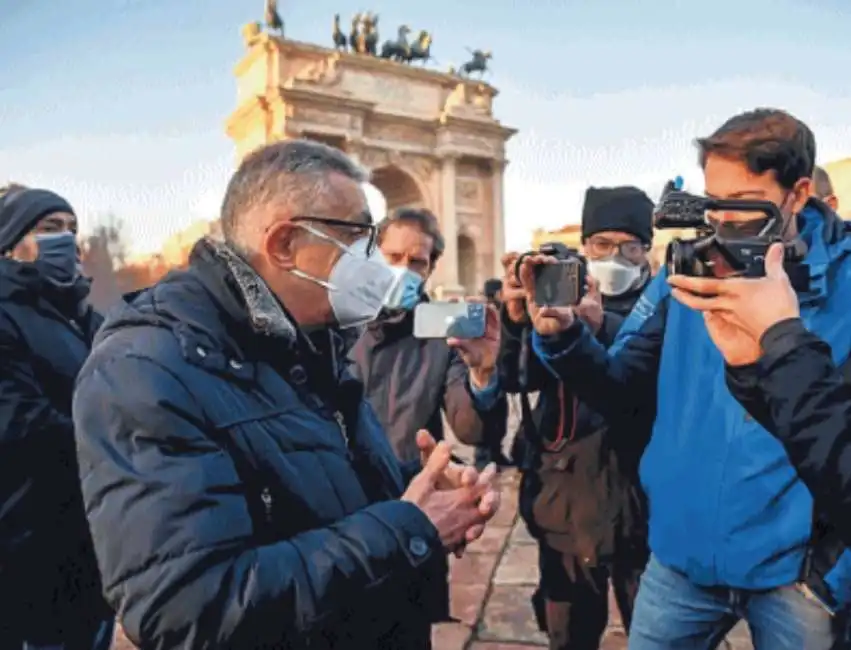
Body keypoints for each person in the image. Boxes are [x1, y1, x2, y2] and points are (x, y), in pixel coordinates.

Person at [72, 139, 501, 650]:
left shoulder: (310, 340)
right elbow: (187, 606)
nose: (376, 264)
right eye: (361, 238)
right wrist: (405, 527)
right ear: (284, 244)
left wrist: (415, 487)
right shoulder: (145, 371)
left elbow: (315, 481)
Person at [517, 108, 851, 649]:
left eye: (742, 207)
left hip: (796, 578)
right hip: (679, 563)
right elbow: (619, 382)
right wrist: (565, 338)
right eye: (712, 206)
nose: (721, 226)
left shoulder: (847, 282)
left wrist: (832, 577)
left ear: (799, 192)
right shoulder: (686, 271)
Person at [500, 186, 654, 650]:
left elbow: (640, 376)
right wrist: (515, 321)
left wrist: (587, 331)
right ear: (585, 248)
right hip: (563, 501)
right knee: (569, 635)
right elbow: (517, 379)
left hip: (640, 506)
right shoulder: (557, 300)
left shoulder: (662, 306)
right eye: (602, 244)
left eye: (630, 246)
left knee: (653, 633)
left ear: (647, 249)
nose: (615, 256)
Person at [667, 242, 851, 548]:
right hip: (680, 555)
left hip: (795, 572)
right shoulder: (690, 271)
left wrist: (783, 338)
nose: (727, 216)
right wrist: (751, 371)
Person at [0, 187, 113, 650]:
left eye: (72, 229)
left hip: (91, 540)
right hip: (25, 542)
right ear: (10, 245)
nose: (66, 240)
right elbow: (17, 422)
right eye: (49, 229)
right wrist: (115, 442)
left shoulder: (86, 317)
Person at [349, 208, 507, 467]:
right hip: (346, 487)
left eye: (416, 262)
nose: (403, 269)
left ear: (430, 268)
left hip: (412, 487)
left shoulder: (444, 335)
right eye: (394, 257)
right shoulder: (336, 325)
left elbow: (472, 432)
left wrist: (483, 375)